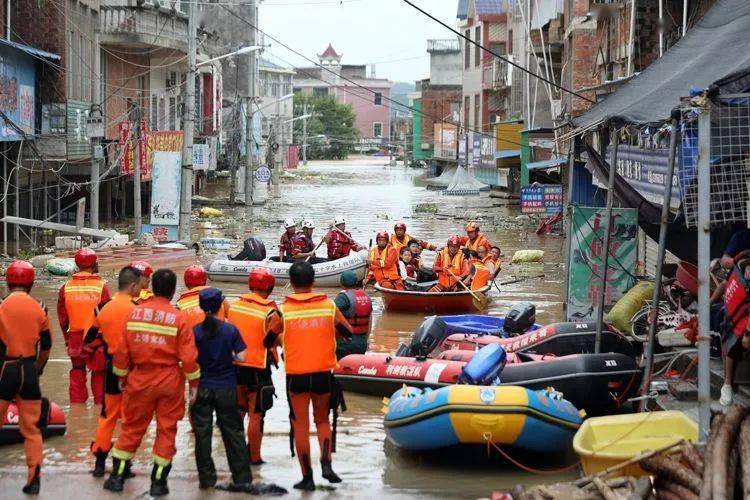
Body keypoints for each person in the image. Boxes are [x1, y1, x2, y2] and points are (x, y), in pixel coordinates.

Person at [104, 269, 200, 496]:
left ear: (151, 287)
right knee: (167, 431)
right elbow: (188, 358)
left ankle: (117, 478)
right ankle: (158, 483)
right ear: (174, 290)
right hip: (169, 381)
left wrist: (122, 377)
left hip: (140, 379)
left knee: (131, 428)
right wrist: (194, 387)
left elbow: (121, 352)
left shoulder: (134, 314)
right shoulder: (179, 318)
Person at [281, 261, 352, 491]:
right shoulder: (329, 306)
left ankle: (307, 478)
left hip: (296, 376)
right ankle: (326, 465)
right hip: (323, 373)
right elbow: (348, 331)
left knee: (300, 425)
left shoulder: (283, 310)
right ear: (313, 282)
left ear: (291, 283)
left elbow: (270, 338)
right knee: (322, 421)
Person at [191, 287, 254, 492]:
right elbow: (243, 357)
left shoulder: (195, 331)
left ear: (201, 307)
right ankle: (242, 478)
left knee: (202, 434)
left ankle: (206, 480)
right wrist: (230, 357)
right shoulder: (230, 330)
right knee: (233, 433)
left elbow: (189, 359)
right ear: (220, 306)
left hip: (202, 387)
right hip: (226, 388)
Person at [84, 266, 142, 478]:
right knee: (129, 419)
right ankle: (124, 466)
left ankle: (100, 463)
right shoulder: (136, 309)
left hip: (111, 368)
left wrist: (105, 343)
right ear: (133, 285)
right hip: (132, 370)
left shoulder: (103, 308)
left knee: (107, 416)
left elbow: (88, 340)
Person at [0, 261, 52, 494]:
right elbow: (47, 345)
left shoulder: (2, 307)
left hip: (7, 369)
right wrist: (38, 367)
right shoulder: (39, 308)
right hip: (29, 369)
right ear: (32, 283)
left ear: (7, 282)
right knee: (31, 430)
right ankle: (34, 478)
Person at [227, 268, 282, 466]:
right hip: (258, 369)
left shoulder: (233, 307)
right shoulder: (270, 312)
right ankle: (254, 458)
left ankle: (234, 454)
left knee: (239, 412)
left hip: (233, 367)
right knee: (256, 414)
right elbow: (273, 341)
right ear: (269, 287)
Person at [57, 248, 111, 404]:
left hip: (75, 338)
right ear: (94, 264)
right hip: (97, 339)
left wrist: (68, 339)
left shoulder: (65, 287)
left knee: (77, 372)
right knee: (99, 374)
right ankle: (99, 409)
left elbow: (63, 319)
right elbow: (106, 315)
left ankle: (77, 409)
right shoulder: (101, 287)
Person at [176, 265, 230, 332]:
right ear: (205, 280)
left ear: (186, 282)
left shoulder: (180, 304)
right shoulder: (219, 297)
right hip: (219, 339)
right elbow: (232, 317)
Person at [334, 271, 373, 359]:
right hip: (362, 343)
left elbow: (331, 313)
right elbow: (370, 321)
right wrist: (365, 341)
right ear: (356, 282)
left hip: (345, 344)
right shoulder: (366, 297)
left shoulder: (343, 297)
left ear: (341, 283)